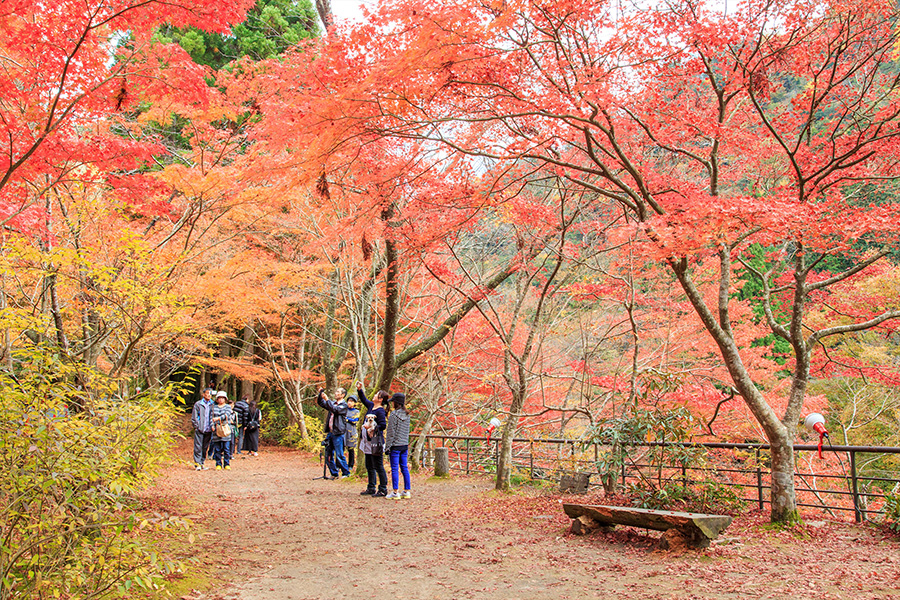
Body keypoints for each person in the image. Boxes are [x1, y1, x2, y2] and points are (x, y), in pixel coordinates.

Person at [357, 384, 388, 497]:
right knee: (369, 465)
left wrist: (371, 428)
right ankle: (371, 487)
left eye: (376, 395)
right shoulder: (371, 406)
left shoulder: (380, 411)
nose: (374, 396)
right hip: (367, 441)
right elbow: (364, 400)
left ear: (380, 399)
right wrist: (360, 390)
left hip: (375, 442)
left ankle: (383, 488)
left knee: (378, 465)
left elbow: (383, 425)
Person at [316, 387, 350, 479]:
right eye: (336, 391)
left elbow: (335, 410)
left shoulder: (344, 405)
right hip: (331, 432)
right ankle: (334, 473)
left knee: (339, 454)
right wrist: (321, 394)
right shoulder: (332, 404)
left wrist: (327, 400)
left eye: (338, 392)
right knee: (328, 454)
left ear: (343, 395)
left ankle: (346, 473)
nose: (336, 393)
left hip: (338, 432)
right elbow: (321, 403)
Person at [384, 392, 411, 499]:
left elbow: (391, 433)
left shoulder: (394, 415)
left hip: (395, 445)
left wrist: (387, 447)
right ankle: (406, 491)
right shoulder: (407, 415)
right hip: (404, 444)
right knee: (404, 467)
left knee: (395, 468)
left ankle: (395, 492)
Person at [191, 388, 215, 470]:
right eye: (207, 393)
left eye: (210, 394)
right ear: (203, 394)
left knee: (205, 447)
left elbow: (213, 415)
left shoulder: (212, 404)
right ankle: (197, 463)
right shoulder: (198, 404)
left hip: (208, 429)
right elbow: (194, 416)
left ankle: (202, 463)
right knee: (198, 446)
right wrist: (196, 426)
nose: (209, 395)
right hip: (200, 428)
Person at [210, 391, 234, 470]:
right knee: (217, 449)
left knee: (226, 448)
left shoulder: (227, 407)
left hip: (225, 429)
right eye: (219, 398)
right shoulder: (214, 407)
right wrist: (212, 425)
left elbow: (227, 414)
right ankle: (218, 464)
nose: (220, 400)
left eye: (222, 398)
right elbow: (211, 417)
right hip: (216, 430)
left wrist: (219, 418)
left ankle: (227, 463)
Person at [345, 394, 360, 470]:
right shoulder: (344, 410)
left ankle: (350, 465)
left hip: (352, 432)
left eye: (351, 401)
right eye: (348, 401)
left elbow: (355, 421)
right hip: (343, 431)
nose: (349, 403)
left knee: (351, 449)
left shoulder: (356, 411)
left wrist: (347, 419)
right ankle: (340, 465)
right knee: (341, 448)